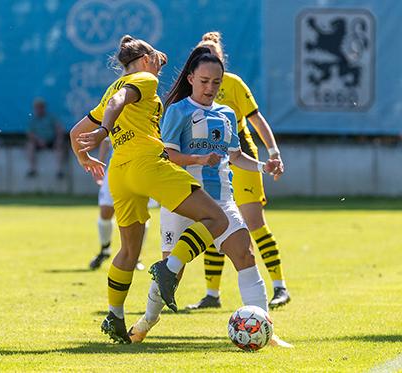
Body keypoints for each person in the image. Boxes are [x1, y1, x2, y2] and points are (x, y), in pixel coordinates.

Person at [71, 35, 255, 344]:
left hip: (120, 173)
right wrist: (103, 132)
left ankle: (114, 315)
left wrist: (83, 157)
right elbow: (118, 104)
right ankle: (169, 270)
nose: (161, 65)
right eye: (157, 60)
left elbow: (76, 131)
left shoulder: (110, 89)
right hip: (148, 166)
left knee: (128, 251)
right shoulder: (143, 78)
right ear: (145, 61)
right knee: (217, 219)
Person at [127, 47, 289, 347]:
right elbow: (168, 155)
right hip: (183, 201)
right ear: (190, 78)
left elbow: (236, 156)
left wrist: (264, 166)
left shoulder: (226, 114)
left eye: (216, 82)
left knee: (245, 254)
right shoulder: (178, 111)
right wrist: (199, 161)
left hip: (222, 201)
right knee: (171, 274)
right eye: (204, 81)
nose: (210, 88)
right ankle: (147, 320)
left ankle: (265, 329)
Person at [185, 32, 291, 310]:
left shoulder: (232, 84)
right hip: (210, 164)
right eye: (202, 55)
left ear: (220, 59)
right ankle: (212, 293)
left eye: (213, 55)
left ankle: (280, 287)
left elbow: (257, 119)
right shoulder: (190, 90)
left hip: (240, 159)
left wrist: (274, 152)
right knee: (213, 223)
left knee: (254, 223)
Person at [89, 138, 146, 271]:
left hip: (140, 168)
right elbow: (105, 139)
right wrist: (100, 166)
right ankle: (105, 249)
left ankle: (135, 255)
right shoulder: (116, 117)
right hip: (115, 169)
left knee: (139, 213)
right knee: (105, 212)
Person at [26, 98, 68, 178]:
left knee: (60, 147)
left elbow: (59, 129)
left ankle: (59, 170)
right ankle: (32, 168)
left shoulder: (51, 117)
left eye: (40, 107)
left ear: (44, 108)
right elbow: (30, 133)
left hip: (52, 140)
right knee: (29, 146)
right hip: (38, 142)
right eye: (37, 107)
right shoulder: (33, 119)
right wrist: (38, 140)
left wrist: (58, 140)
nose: (39, 109)